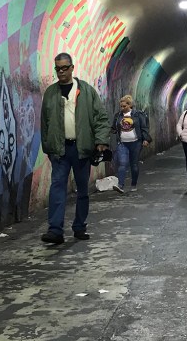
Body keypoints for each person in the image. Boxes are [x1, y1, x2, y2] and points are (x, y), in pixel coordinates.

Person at [40, 53, 110, 244]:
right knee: (57, 188)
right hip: (60, 150)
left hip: (81, 149)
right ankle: (55, 230)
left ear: (72, 67)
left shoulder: (86, 91)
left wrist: (101, 140)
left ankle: (79, 227)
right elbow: (45, 123)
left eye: (64, 68)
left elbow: (101, 118)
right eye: (58, 69)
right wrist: (48, 146)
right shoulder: (50, 93)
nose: (61, 72)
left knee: (82, 190)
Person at [110, 95, 151, 193]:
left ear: (130, 105)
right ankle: (120, 185)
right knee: (122, 163)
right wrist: (112, 131)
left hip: (136, 143)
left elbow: (144, 128)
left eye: (124, 106)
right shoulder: (118, 115)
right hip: (122, 143)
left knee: (134, 164)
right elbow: (113, 127)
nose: (122, 108)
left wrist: (146, 139)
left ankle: (133, 184)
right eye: (121, 106)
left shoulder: (138, 115)